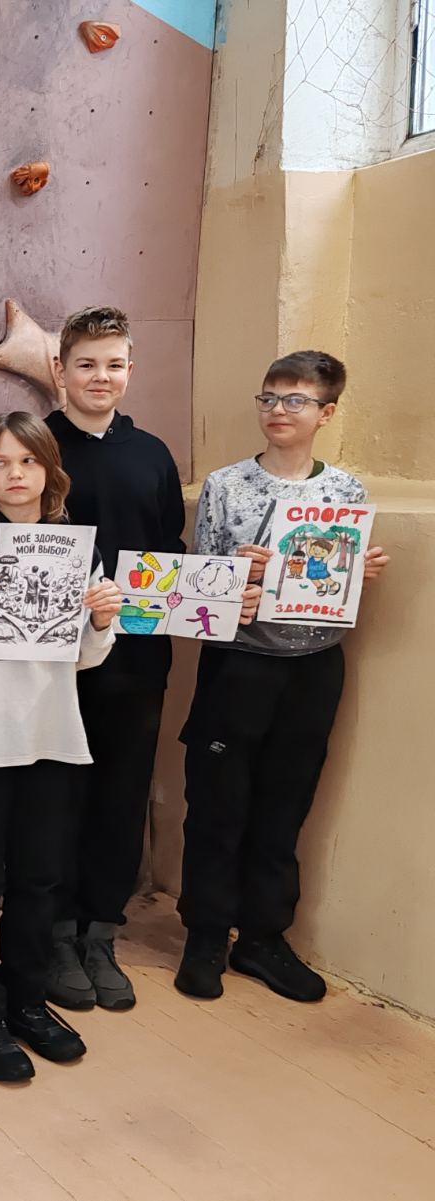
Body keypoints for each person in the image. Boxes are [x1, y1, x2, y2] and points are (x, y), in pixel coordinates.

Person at [174, 351, 389, 1003]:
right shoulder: (226, 485)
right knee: (217, 803)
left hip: (314, 664)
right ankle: (206, 934)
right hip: (240, 663)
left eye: (296, 400)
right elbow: (198, 587)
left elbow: (335, 581)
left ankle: (263, 937)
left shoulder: (345, 493)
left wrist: (355, 573)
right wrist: (238, 577)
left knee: (286, 802)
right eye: (268, 397)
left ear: (326, 413)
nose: (278, 411)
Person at [0, 412, 122, 1083]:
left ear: (49, 470)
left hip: (54, 734)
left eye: (28, 461)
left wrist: (102, 618)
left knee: (40, 878)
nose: (15, 474)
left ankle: (27, 1001)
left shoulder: (76, 548)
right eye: (0, 462)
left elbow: (89, 657)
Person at [43, 307, 186, 1012]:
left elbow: (171, 554)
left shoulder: (153, 454)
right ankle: (53, 933)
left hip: (137, 661)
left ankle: (100, 931)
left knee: (121, 795)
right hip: (51, 662)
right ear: (60, 370)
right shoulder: (34, 445)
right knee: (56, 795)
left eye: (114, 364)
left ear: (130, 369)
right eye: (87, 364)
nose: (101, 377)